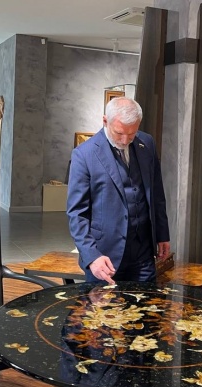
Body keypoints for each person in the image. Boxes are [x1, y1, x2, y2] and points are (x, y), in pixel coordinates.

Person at [67, 97, 171, 286]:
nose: (125, 140)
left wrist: (162, 234)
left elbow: (156, 192)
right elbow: (77, 214)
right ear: (105, 121)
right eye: (119, 133)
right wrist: (91, 256)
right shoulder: (84, 155)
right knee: (104, 306)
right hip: (104, 257)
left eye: (132, 134)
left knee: (147, 304)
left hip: (143, 253)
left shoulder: (147, 143)